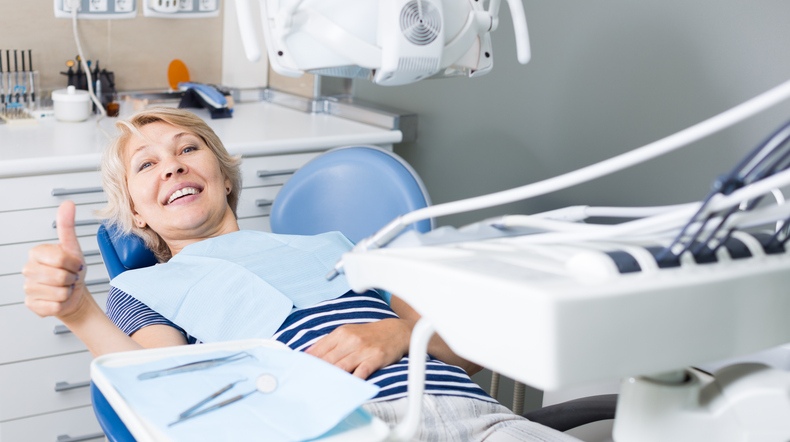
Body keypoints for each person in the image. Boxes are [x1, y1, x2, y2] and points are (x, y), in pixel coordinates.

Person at [23, 107, 580, 442]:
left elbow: (472, 349)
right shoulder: (140, 287)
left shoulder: (336, 247)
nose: (172, 164)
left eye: (188, 148)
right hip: (344, 428)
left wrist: (403, 333)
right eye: (146, 164)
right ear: (137, 214)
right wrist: (79, 312)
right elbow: (163, 381)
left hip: (477, 417)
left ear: (224, 177)